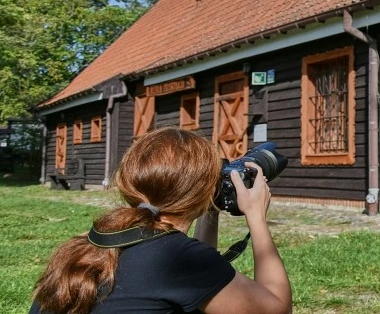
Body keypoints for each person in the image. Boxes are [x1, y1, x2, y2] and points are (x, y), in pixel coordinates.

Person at [30, 127, 292, 314]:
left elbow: (199, 277)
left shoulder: (92, 243)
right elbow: (277, 309)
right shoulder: (173, 255)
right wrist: (256, 218)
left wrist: (210, 209)